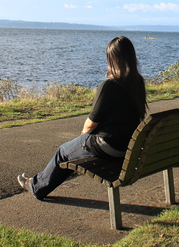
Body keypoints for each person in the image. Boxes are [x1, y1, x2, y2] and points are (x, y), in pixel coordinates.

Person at [17, 36, 147, 200]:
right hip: (128, 147)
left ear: (112, 59)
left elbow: (91, 123)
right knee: (73, 150)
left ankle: (36, 186)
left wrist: (82, 138)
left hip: (108, 146)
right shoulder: (138, 82)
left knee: (64, 151)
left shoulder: (110, 85)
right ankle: (43, 181)